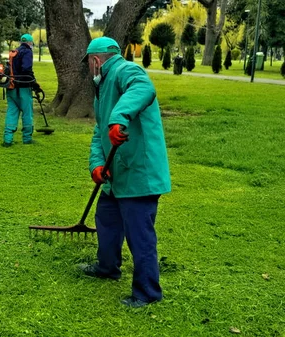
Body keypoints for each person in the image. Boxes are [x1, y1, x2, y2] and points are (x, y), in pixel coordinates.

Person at [78, 37, 171, 308]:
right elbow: (99, 131)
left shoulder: (126, 71)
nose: (89, 69)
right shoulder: (102, 87)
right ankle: (107, 268)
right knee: (106, 220)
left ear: (95, 61)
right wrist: (96, 164)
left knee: (139, 235)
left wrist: (119, 117)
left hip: (138, 173)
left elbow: (143, 88)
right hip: (114, 174)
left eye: (88, 64)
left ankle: (147, 293)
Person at [2, 33, 40, 147]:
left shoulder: (15, 52)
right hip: (23, 88)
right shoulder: (27, 51)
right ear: (30, 43)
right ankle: (27, 139)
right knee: (27, 113)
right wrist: (34, 83)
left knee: (12, 112)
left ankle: (7, 140)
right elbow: (26, 69)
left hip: (11, 86)